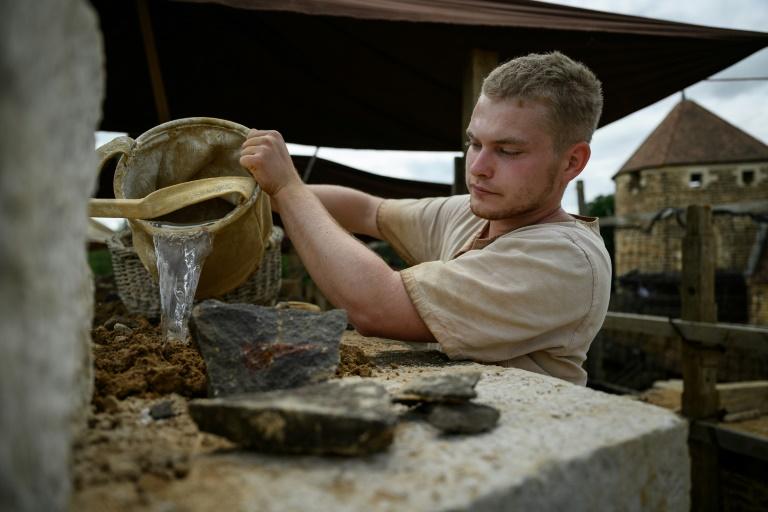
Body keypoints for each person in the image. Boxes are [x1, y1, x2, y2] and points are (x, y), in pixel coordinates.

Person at [239, 51, 611, 386]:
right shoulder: (472, 212)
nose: (478, 168)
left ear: (571, 161)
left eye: (508, 150)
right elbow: (368, 210)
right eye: (474, 143)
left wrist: (287, 188)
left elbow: (375, 307)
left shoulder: (564, 259)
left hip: (523, 436)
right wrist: (247, 193)